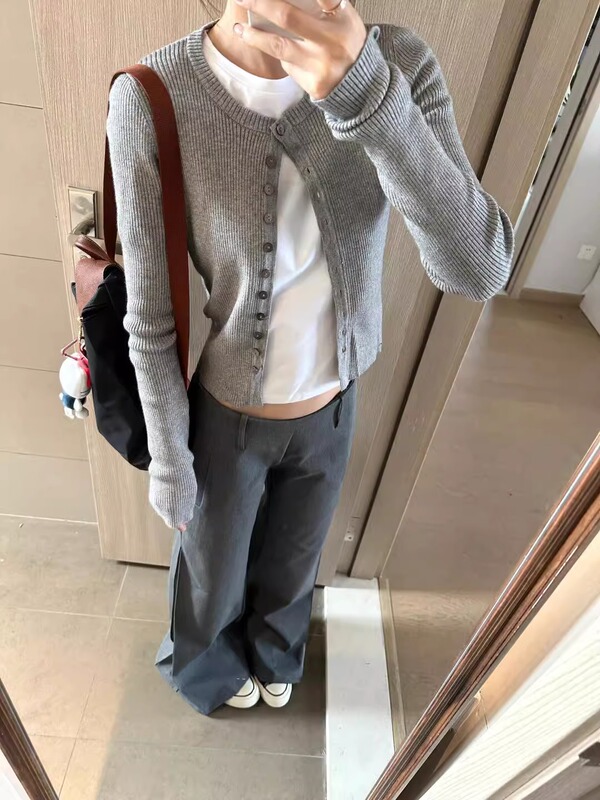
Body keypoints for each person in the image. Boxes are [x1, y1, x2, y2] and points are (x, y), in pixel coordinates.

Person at [106, 0, 514, 715]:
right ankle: (206, 669)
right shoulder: (153, 96)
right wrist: (170, 457)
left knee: (296, 560)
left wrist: (368, 100)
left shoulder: (399, 67)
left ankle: (276, 652)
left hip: (333, 408)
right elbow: (152, 319)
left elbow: (479, 269)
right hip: (226, 415)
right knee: (211, 571)